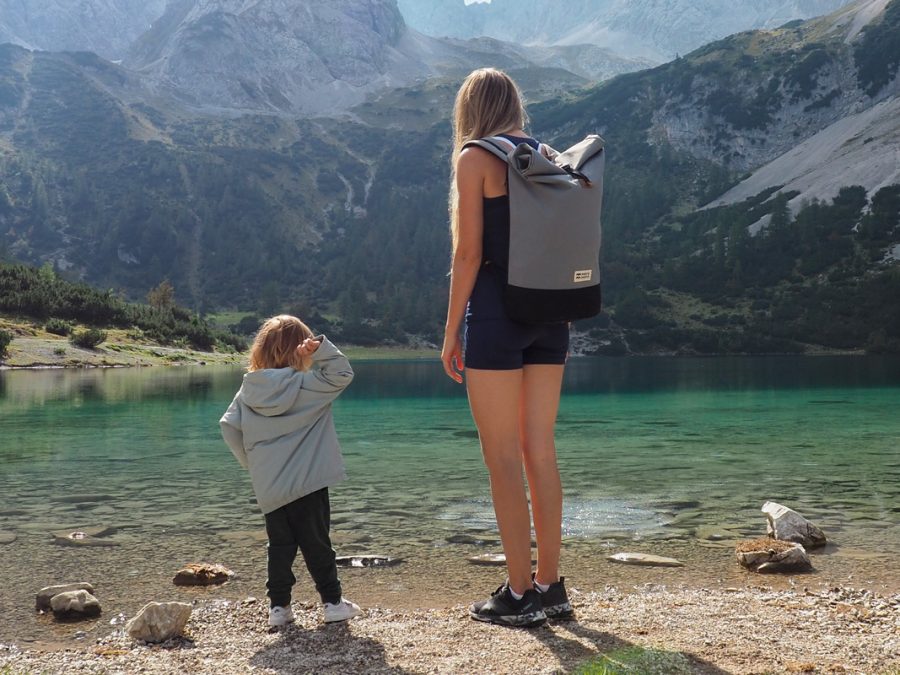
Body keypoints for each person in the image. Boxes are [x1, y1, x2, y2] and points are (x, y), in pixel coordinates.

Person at [441, 68, 574, 628]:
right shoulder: (545, 154)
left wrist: (451, 333)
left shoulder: (475, 157)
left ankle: (518, 595)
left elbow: (469, 255)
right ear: (515, 104)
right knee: (538, 450)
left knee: (501, 458)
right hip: (551, 315)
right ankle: (551, 585)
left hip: (497, 314)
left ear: (470, 108)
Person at [220, 314, 361, 627]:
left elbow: (228, 428)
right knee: (318, 543)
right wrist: (321, 348)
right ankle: (332, 602)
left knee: (280, 547)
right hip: (308, 482)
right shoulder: (309, 385)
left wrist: (252, 464)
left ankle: (279, 609)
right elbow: (342, 372)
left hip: (270, 485)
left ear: (260, 350)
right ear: (302, 351)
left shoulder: (248, 390)